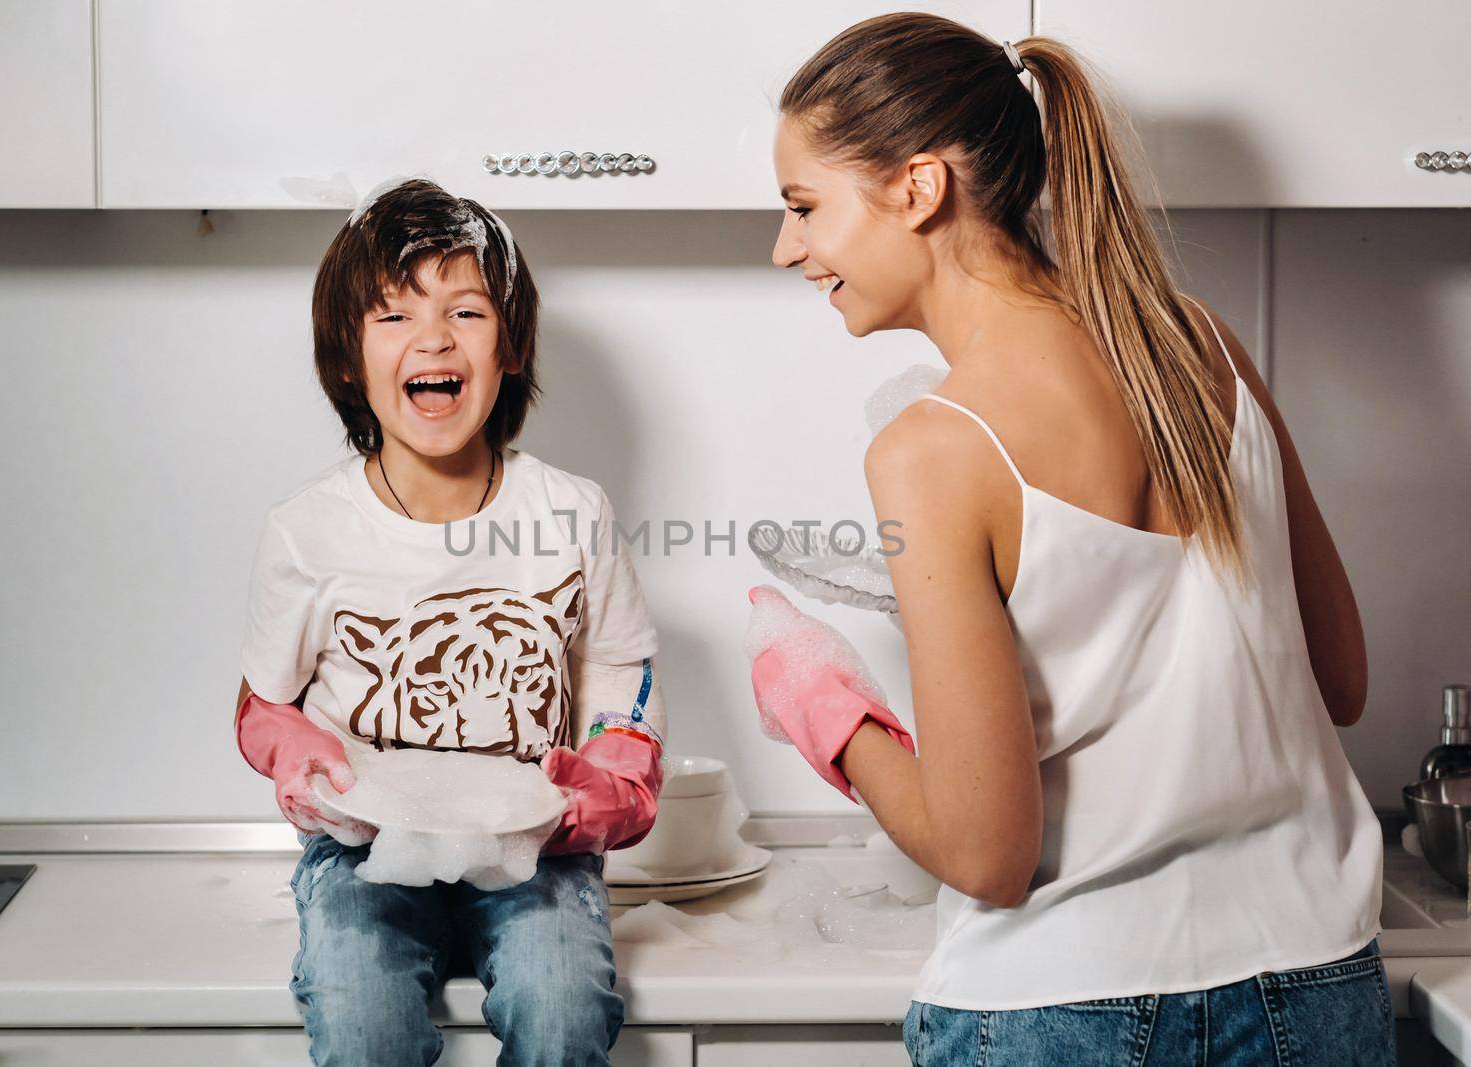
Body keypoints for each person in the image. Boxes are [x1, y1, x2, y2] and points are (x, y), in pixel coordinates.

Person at [746, 14, 1393, 1065]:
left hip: (1061, 1006)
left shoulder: (933, 448)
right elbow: (1344, 677)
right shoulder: (1201, 344)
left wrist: (825, 706)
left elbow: (985, 854)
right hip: (1315, 986)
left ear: (917, 187)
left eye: (803, 206)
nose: (787, 247)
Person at [233, 178, 666, 1065]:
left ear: (509, 348)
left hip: (535, 842)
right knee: (359, 1007)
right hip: (367, 846)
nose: (432, 337)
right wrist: (295, 757)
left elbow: (623, 672)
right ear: (349, 360)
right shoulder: (308, 530)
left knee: (564, 1003)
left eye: (465, 311)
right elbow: (260, 700)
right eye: (393, 316)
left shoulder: (571, 513)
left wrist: (615, 778)